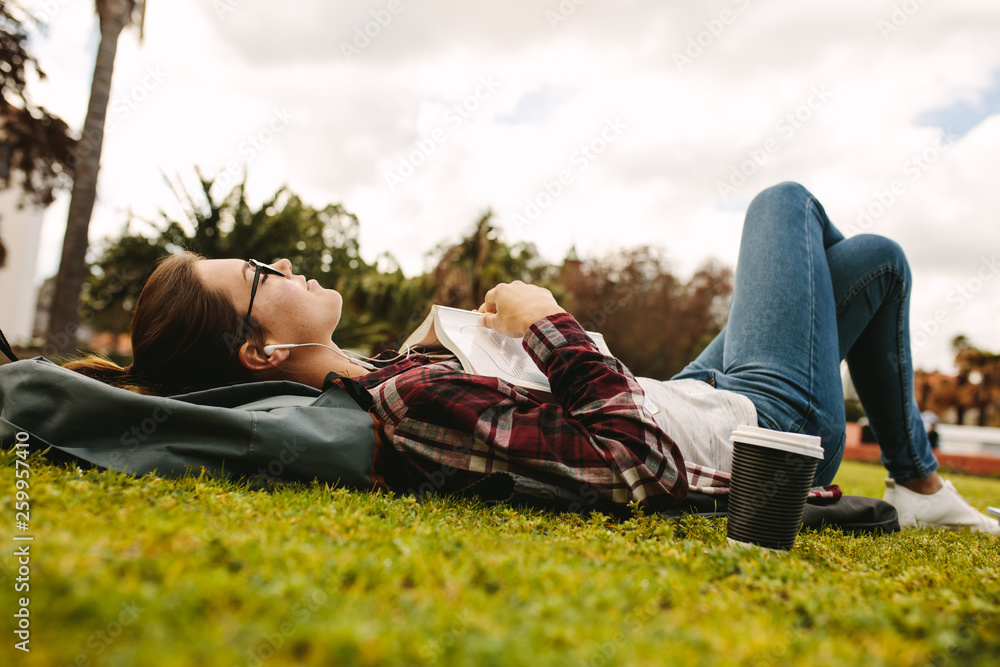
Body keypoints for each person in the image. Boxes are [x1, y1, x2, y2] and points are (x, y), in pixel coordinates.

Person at [67, 182, 998, 535]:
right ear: (262, 346)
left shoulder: (401, 367)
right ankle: (918, 478)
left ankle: (918, 479)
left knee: (874, 263)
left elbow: (609, 414)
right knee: (783, 205)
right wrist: (550, 318)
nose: (285, 261)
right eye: (261, 272)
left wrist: (483, 335)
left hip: (695, 395)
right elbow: (631, 459)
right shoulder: (404, 402)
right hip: (757, 437)